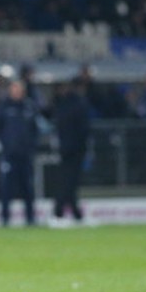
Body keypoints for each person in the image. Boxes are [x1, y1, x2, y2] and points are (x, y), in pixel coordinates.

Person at [0, 79, 40, 226]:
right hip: (9, 154)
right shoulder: (3, 107)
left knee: (28, 187)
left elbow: (35, 129)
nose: (17, 92)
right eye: (14, 89)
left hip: (26, 154)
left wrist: (32, 145)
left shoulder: (29, 106)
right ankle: (5, 218)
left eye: (19, 89)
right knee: (6, 188)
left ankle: (30, 218)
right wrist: (5, 145)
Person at [52, 77, 90, 224]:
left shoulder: (64, 104)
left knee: (69, 181)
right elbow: (84, 129)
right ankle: (59, 213)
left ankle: (74, 213)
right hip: (74, 149)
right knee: (69, 182)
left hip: (66, 148)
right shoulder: (78, 104)